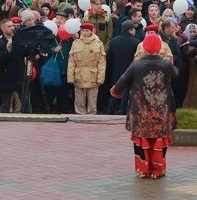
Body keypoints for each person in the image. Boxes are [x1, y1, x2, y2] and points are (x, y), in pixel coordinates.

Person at [110, 33, 178, 179]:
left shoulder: (136, 64)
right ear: (160, 48)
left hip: (140, 109)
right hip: (162, 108)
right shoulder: (166, 64)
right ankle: (158, 170)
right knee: (161, 138)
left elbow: (122, 81)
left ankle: (143, 169)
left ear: (144, 48)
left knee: (141, 138)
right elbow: (176, 74)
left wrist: (115, 92)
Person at [68, 22, 106, 114]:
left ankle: (91, 115)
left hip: (93, 75)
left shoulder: (98, 44)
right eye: (83, 31)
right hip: (79, 74)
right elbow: (71, 62)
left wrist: (100, 78)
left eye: (87, 31)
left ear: (91, 31)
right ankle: (80, 114)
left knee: (92, 98)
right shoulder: (75, 43)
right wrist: (70, 77)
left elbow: (102, 63)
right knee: (79, 98)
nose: (85, 33)